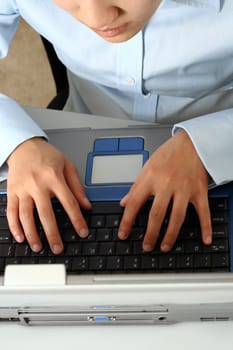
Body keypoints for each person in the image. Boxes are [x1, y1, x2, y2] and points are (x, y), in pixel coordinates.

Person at [0, 0, 233, 256]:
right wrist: (17, 143)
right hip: (76, 135)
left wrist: (206, 144)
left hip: (220, 160)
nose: (98, 18)